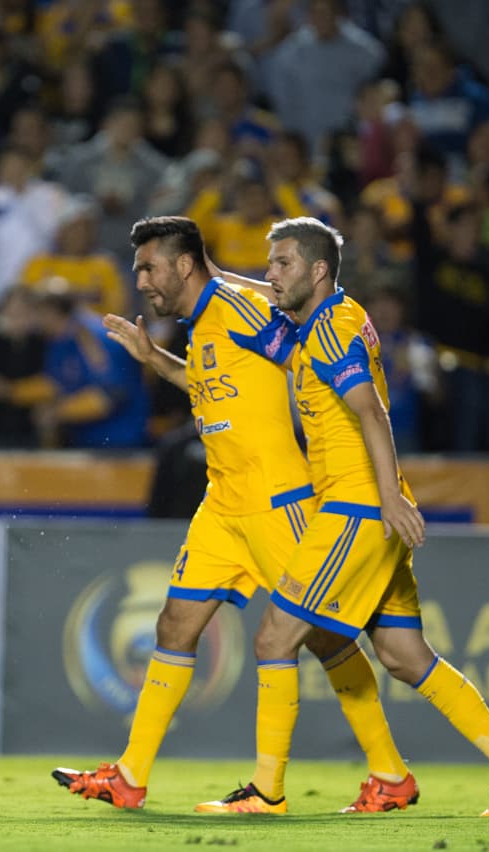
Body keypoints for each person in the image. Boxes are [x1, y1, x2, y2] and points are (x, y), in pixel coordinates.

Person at [53, 216, 416, 814]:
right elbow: (212, 384)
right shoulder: (203, 323)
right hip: (223, 503)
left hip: (279, 499)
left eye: (149, 268)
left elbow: (306, 350)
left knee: (326, 639)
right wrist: (156, 359)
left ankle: (388, 772)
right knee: (174, 625)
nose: (140, 280)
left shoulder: (243, 306)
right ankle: (130, 776)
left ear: (185, 265)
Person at [199, 217, 489, 817]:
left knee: (275, 637)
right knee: (404, 657)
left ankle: (266, 791)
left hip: (356, 508)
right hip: (365, 505)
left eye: (281, 264)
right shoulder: (322, 322)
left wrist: (388, 498)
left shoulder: (331, 329)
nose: (270, 275)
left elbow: (373, 412)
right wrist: (209, 273)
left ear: (317, 271)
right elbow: (261, 309)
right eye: (268, 264)